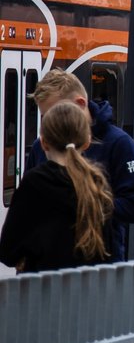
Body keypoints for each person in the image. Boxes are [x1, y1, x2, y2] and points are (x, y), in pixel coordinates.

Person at [25, 68, 134, 262]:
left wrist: (84, 205)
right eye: (45, 117)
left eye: (55, 114)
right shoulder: (41, 148)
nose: (48, 124)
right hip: (47, 268)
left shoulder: (119, 144)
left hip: (100, 271)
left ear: (80, 104)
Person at [1, 102, 114, 272]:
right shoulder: (97, 183)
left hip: (42, 289)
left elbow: (7, 252)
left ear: (44, 143)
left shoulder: (34, 183)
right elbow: (108, 248)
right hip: (88, 291)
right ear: (87, 142)